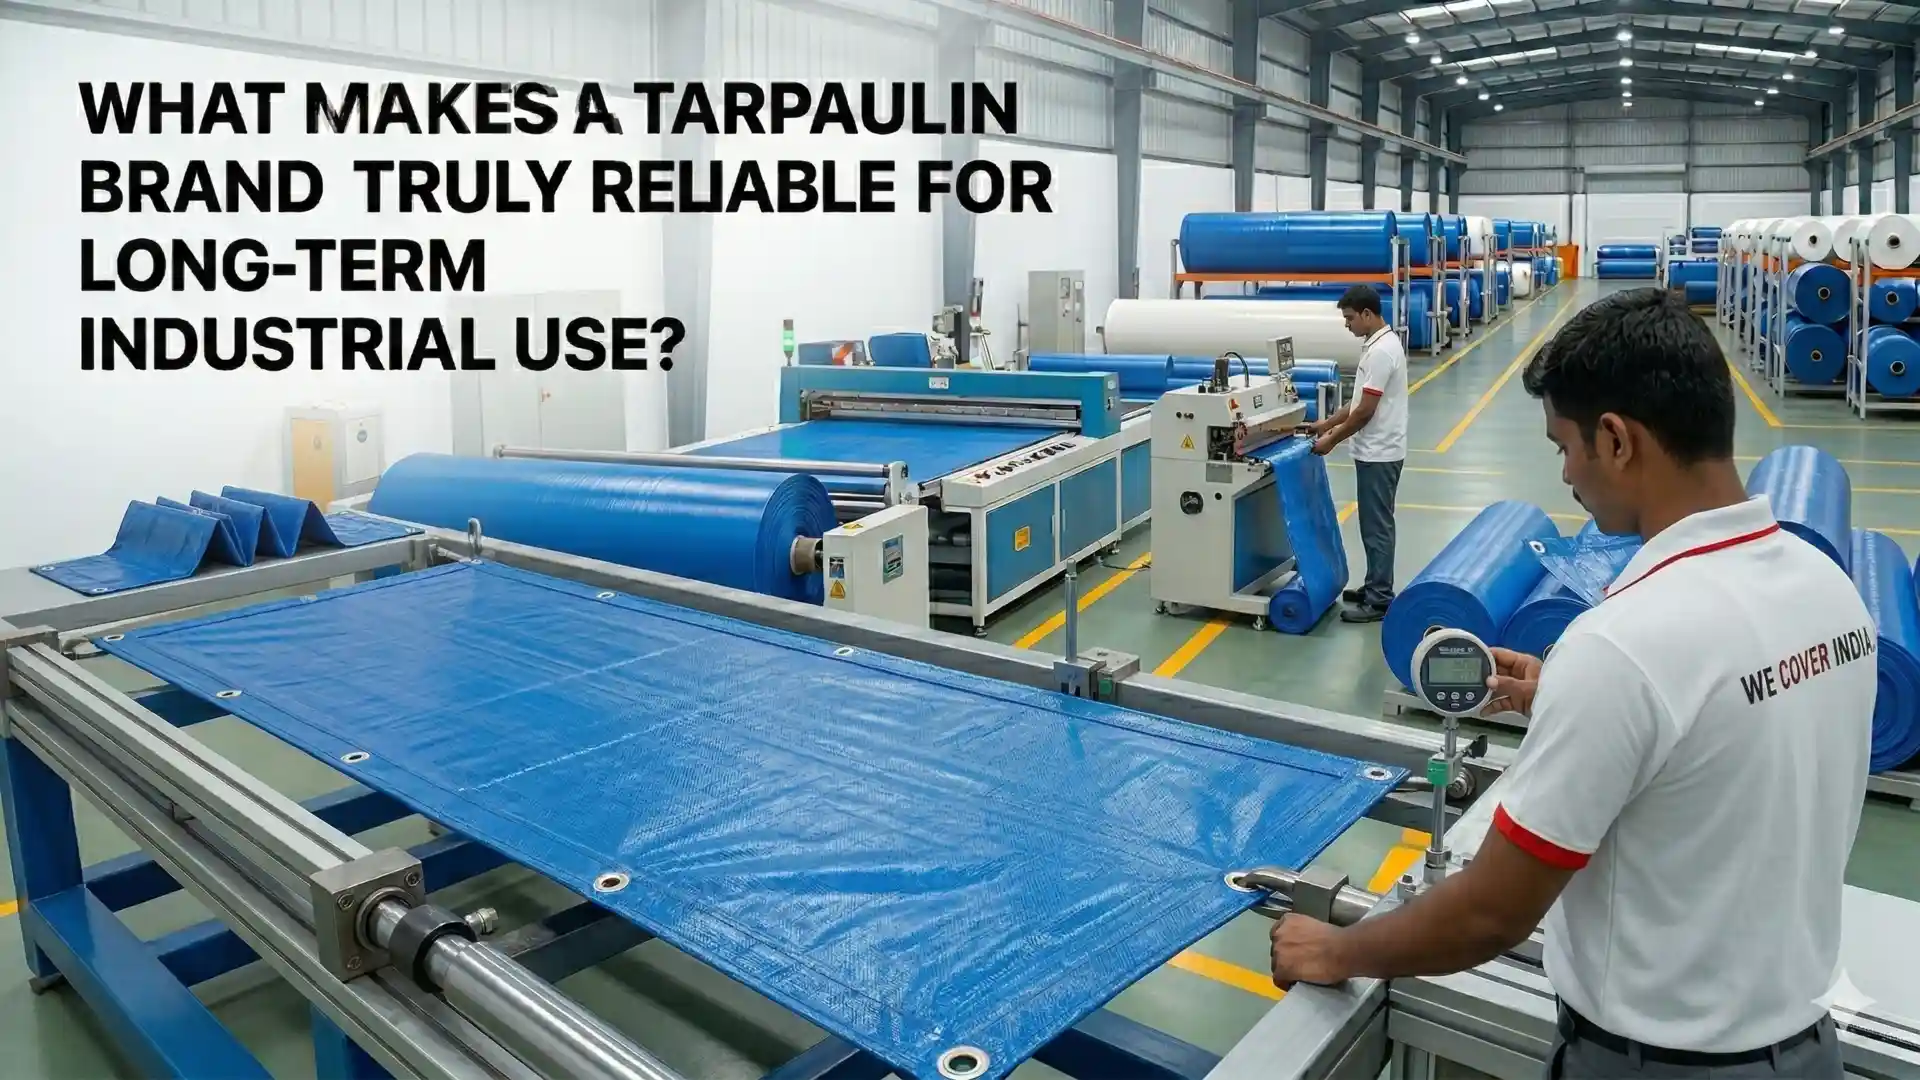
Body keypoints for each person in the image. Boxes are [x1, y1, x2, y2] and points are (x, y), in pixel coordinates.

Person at [1269, 287, 1873, 1079]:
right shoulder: (1826, 588)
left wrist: (1338, 947)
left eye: (1565, 446)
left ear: (1617, 440)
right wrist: (1567, 695)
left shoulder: (1626, 644)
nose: (1565, 474)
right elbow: (1727, 735)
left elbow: (1491, 912)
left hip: (1656, 1062)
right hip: (1803, 1051)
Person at [1305, 284, 1408, 623]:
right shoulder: (1377, 345)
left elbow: (1365, 412)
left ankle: (1379, 599)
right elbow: (1357, 402)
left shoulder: (1381, 352)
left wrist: (1331, 441)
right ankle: (1374, 585)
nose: (1347, 324)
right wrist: (1326, 424)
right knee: (1372, 525)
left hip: (1380, 452)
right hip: (1375, 449)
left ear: (1367, 314)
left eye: (1350, 318)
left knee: (1377, 527)